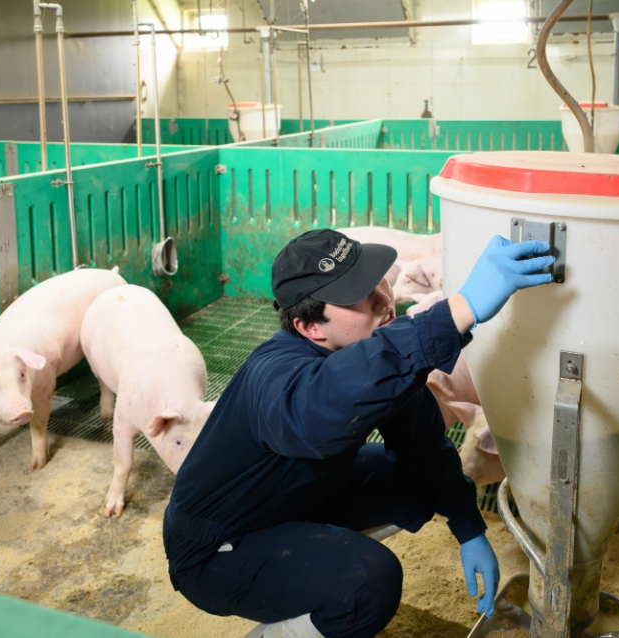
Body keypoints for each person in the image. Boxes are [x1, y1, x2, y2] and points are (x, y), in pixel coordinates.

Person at [162, 228, 554, 638]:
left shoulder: (368, 358)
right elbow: (323, 410)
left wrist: (468, 527)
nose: (383, 299)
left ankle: (312, 561)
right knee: (367, 583)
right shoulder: (275, 374)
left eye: (375, 278)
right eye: (357, 294)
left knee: (412, 478)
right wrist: (458, 309)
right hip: (217, 548)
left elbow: (422, 445)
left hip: (287, 503)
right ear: (309, 327)